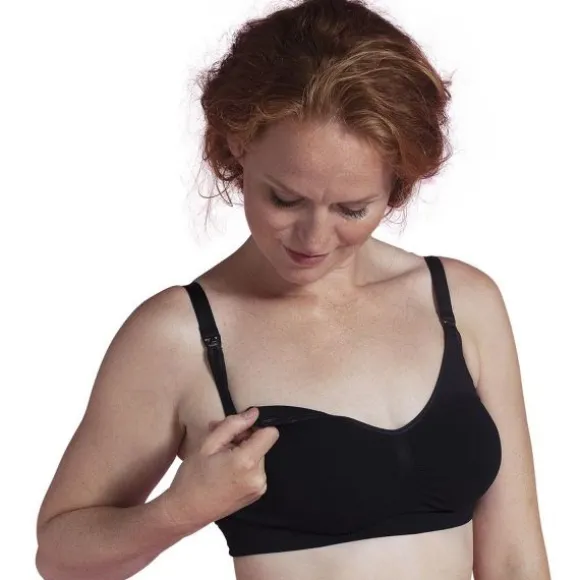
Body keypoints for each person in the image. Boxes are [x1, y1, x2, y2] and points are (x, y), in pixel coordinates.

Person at [35, 0, 551, 579]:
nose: (314, 238)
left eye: (352, 208)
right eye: (285, 199)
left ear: (398, 183)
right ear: (237, 145)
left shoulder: (462, 302)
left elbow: (515, 558)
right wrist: (180, 510)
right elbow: (60, 557)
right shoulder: (180, 336)